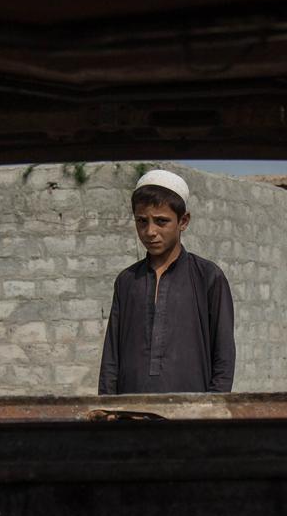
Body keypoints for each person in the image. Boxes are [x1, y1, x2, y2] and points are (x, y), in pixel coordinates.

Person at [98, 169, 236, 394]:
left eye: (161, 221)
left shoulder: (208, 277)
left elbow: (224, 357)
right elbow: (111, 357)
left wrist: (212, 411)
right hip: (130, 414)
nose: (150, 231)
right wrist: (106, 407)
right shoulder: (127, 281)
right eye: (142, 221)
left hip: (191, 416)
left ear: (183, 221)